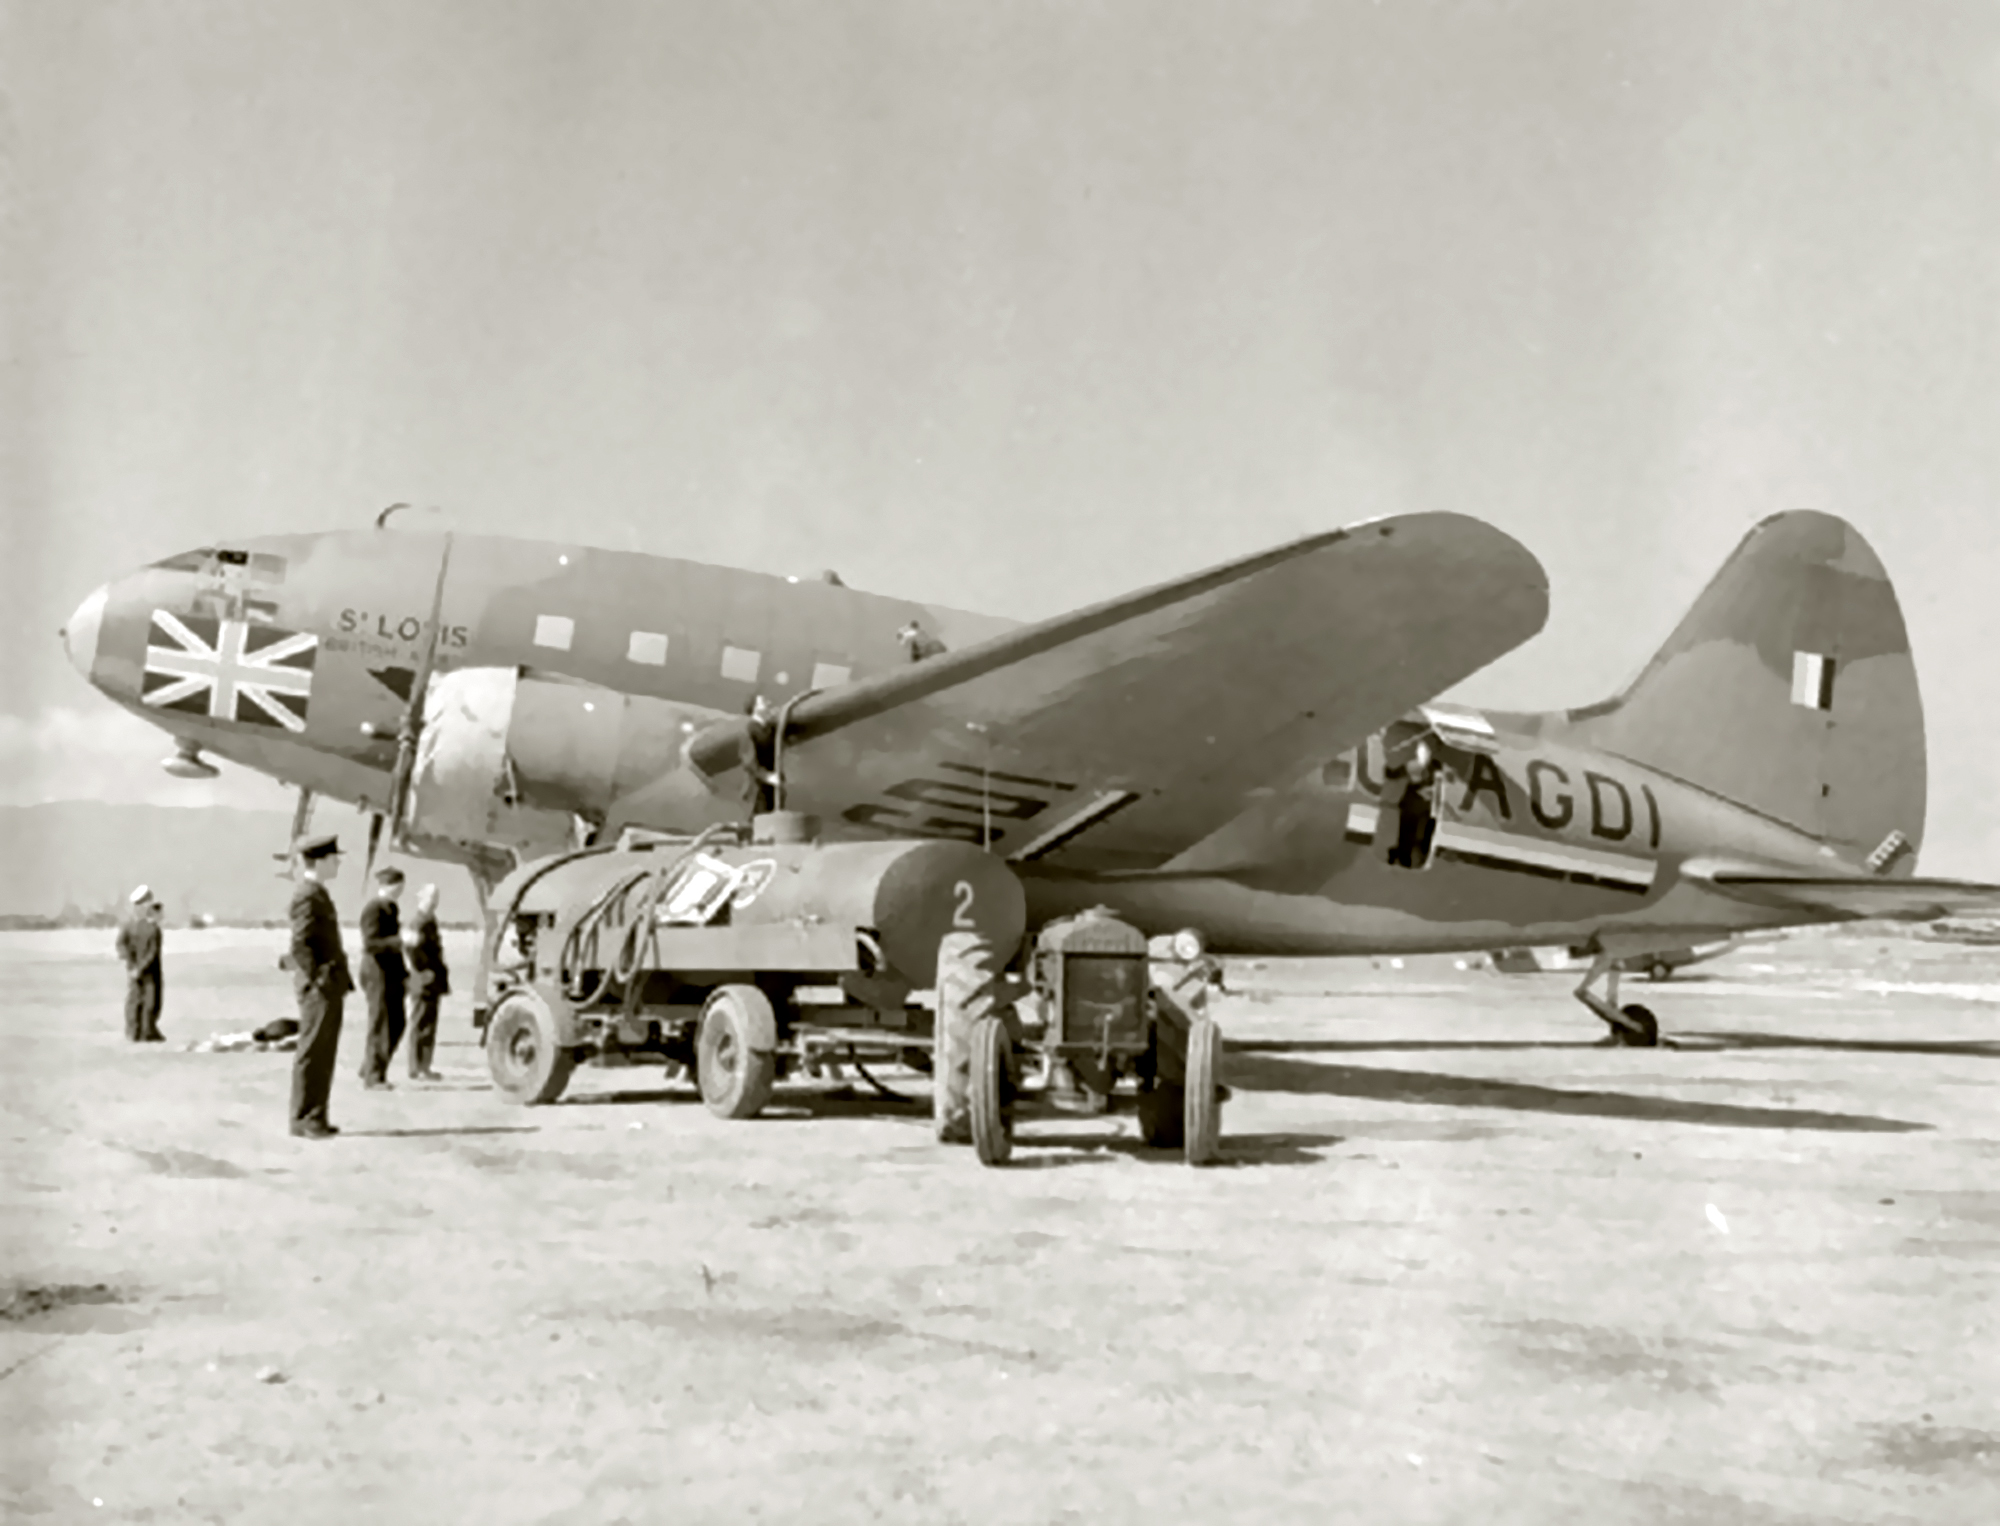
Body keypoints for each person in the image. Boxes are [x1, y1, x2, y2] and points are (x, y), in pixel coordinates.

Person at [287, 835, 351, 1139]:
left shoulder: (317, 893)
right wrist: (319, 978)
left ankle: (316, 1115)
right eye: (334, 858)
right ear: (321, 861)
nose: (337, 863)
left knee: (324, 1052)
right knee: (313, 1050)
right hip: (319, 988)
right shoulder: (307, 895)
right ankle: (304, 1117)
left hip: (327, 985)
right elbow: (300, 944)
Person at [358, 867, 408, 1089]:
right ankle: (374, 1076)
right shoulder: (374, 909)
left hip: (391, 973)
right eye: (398, 886)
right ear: (388, 886)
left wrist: (404, 974)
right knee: (381, 1023)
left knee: (397, 1021)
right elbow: (370, 944)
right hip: (376, 972)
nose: (401, 890)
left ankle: (370, 1065)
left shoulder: (391, 908)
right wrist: (399, 940)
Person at [402, 883, 449, 1082]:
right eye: (430, 897)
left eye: (436, 897)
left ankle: (425, 1065)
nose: (434, 901)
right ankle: (416, 1066)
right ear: (421, 898)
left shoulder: (429, 921)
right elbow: (411, 949)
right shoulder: (418, 922)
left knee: (429, 1023)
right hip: (423, 979)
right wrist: (422, 970)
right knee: (419, 1021)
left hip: (433, 979)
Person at [115, 886, 165, 1043]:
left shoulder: (128, 925)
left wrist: (131, 965)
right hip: (149, 973)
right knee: (150, 1002)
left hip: (133, 970)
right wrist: (140, 968)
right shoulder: (153, 929)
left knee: (134, 1001)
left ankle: (133, 1032)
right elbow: (152, 952)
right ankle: (146, 1032)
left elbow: (120, 945)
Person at [739, 694, 780, 818]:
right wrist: (767, 776)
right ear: (755, 708)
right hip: (757, 787)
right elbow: (748, 761)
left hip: (771, 784)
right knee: (760, 818)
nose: (768, 703)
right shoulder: (749, 730)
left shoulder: (769, 728)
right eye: (763, 702)